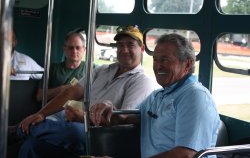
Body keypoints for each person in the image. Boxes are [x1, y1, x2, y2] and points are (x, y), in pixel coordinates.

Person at [10, 25, 155, 157]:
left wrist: (84, 118)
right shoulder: (102, 70)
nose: (124, 50)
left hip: (99, 134)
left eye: (130, 45)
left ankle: (18, 131)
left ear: (142, 49)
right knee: (32, 146)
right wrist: (41, 114)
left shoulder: (142, 81)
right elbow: (73, 92)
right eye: (120, 45)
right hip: (75, 124)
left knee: (73, 132)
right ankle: (24, 131)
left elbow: (123, 121)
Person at [89, 33, 221, 158]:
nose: (158, 66)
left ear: (187, 64)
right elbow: (126, 119)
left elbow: (186, 154)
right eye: (155, 60)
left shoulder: (194, 96)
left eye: (165, 60)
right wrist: (109, 108)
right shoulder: (157, 96)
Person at [36, 29, 88, 121]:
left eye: (78, 47)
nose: (74, 51)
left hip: (77, 114)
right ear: (64, 48)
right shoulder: (53, 68)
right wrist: (62, 90)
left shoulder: (91, 70)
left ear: (84, 49)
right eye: (71, 47)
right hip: (53, 113)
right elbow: (39, 96)